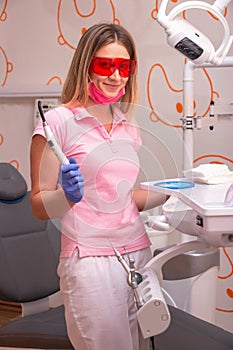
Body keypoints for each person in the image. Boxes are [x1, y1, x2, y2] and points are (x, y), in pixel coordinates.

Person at [30, 22, 168, 350]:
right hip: (90, 261)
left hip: (138, 254)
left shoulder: (126, 123)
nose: (116, 76)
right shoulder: (56, 124)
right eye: (105, 65)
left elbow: (122, 198)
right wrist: (67, 196)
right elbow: (38, 205)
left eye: (124, 67)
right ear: (86, 65)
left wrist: (176, 191)